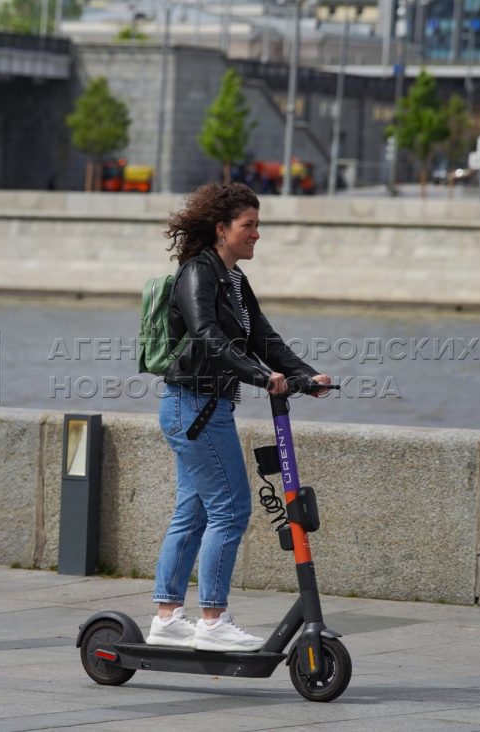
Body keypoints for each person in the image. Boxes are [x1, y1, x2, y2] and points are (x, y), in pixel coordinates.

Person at [146, 182, 331, 652]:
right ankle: (212, 620)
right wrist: (261, 377)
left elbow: (264, 339)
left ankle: (167, 617)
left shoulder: (234, 280)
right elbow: (207, 336)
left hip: (202, 408)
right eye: (249, 226)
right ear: (222, 228)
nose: (256, 235)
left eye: (257, 225)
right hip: (195, 409)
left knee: (193, 511)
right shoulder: (198, 274)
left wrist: (307, 376)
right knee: (230, 509)